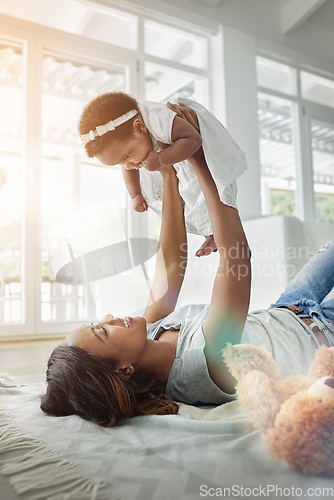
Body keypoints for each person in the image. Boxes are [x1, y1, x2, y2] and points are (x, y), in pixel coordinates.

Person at [41, 106, 334, 428]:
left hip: (288, 308)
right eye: (103, 331)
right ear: (124, 369)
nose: (110, 317)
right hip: (324, 336)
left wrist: (169, 175)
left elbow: (171, 261)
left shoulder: (148, 333)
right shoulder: (201, 366)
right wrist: (199, 159)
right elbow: (236, 257)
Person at [78, 92, 247, 257]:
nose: (127, 165)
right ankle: (210, 235)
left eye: (126, 156)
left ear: (139, 127)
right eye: (119, 163)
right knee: (188, 198)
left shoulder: (159, 118)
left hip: (196, 145)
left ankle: (223, 238)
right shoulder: (127, 142)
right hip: (177, 156)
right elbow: (127, 169)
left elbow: (193, 139)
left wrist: (160, 159)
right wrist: (135, 194)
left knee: (211, 192)